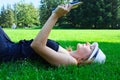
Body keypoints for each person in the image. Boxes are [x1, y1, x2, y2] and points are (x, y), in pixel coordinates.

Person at [0, 4, 106, 66]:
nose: (88, 43)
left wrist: (55, 15)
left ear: (86, 59)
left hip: (7, 53)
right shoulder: (67, 54)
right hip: (11, 46)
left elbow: (37, 45)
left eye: (91, 47)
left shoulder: (71, 62)